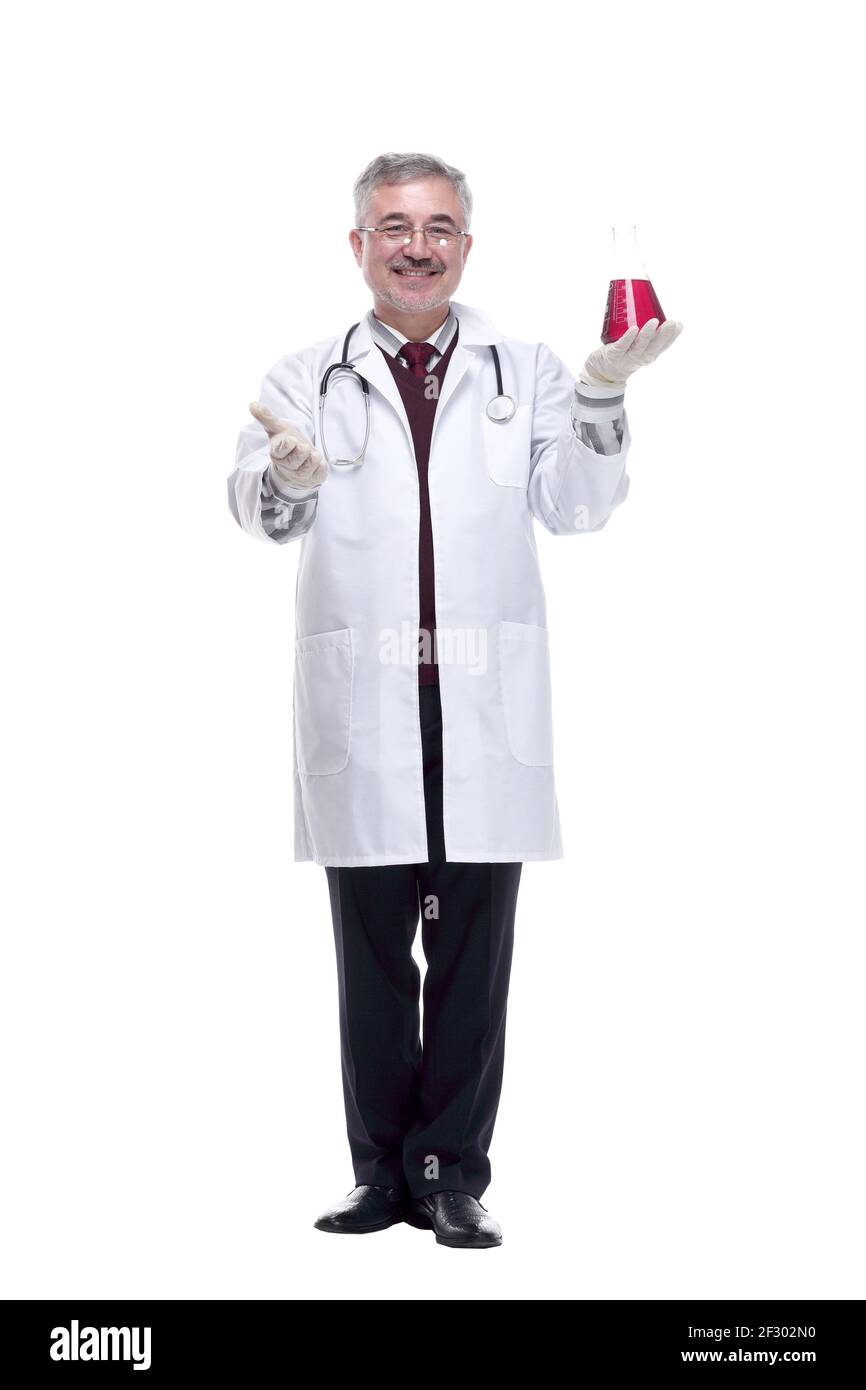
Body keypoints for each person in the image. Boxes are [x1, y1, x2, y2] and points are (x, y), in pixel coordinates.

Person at [227, 152, 682, 1249]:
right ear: (359, 246)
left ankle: (450, 1172)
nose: (416, 244)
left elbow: (574, 510)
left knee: (473, 951)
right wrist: (284, 475)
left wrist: (604, 392)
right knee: (373, 949)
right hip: (363, 702)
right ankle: (378, 1171)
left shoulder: (521, 368)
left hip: (479, 702)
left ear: (464, 246)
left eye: (437, 226)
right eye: (393, 226)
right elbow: (257, 511)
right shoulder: (305, 374)